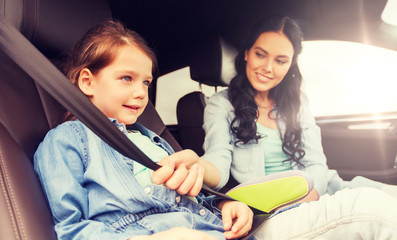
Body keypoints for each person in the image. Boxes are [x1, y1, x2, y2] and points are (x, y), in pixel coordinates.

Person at [33, 20, 253, 240]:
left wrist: (224, 206)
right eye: (127, 78)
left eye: (146, 82)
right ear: (88, 82)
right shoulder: (66, 140)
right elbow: (71, 228)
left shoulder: (152, 140)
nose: (140, 92)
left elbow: (187, 201)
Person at [200, 16, 397, 239]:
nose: (267, 67)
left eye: (280, 60)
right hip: (271, 209)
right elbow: (218, 158)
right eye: (260, 54)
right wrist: (198, 167)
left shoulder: (298, 101)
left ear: (291, 64)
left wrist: (311, 195)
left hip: (318, 193)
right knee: (380, 213)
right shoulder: (221, 104)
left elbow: (316, 163)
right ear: (246, 53)